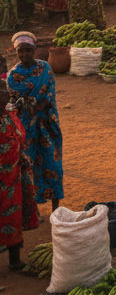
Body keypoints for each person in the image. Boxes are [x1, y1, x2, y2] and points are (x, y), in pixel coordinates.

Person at [7, 32, 63, 212]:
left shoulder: (45, 67)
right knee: (29, 167)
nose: (24, 55)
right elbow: (13, 102)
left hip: (47, 125)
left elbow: (50, 91)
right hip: (27, 129)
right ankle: (34, 210)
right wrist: (29, 105)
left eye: (28, 50)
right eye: (20, 51)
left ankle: (56, 207)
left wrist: (42, 103)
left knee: (52, 163)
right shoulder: (14, 76)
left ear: (34, 50)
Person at [0, 77, 39, 271]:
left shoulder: (10, 113)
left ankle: (14, 260)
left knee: (13, 217)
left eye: (3, 90)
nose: (2, 94)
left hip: (14, 177)